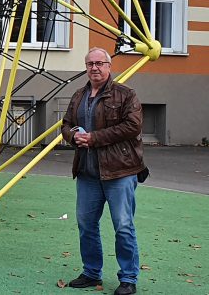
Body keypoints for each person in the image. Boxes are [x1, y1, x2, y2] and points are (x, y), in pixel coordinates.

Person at [61, 47, 146, 295]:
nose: (94, 68)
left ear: (109, 66)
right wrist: (73, 135)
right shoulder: (79, 95)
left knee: (123, 225)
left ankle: (128, 278)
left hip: (120, 171)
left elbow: (132, 126)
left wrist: (94, 138)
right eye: (90, 64)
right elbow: (66, 124)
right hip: (87, 172)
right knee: (86, 224)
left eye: (99, 63)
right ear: (86, 67)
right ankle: (91, 272)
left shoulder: (126, 94)